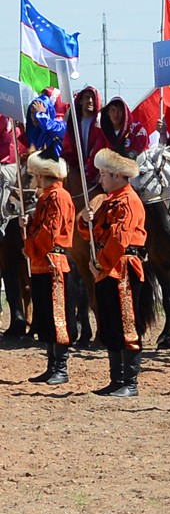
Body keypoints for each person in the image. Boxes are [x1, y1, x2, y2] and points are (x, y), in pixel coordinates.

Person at [81, 149, 148, 397]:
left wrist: (101, 263)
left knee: (126, 322)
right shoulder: (108, 201)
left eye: (104, 174)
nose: (100, 179)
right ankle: (116, 379)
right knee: (110, 322)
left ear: (117, 176)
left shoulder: (128, 201)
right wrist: (85, 219)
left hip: (122, 267)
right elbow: (92, 234)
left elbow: (119, 239)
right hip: (107, 266)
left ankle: (130, 382)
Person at [23, 151, 75, 385]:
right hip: (42, 263)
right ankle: (51, 365)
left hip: (53, 262)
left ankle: (60, 367)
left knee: (57, 316)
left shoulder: (58, 197)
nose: (34, 178)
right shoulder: (46, 197)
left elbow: (50, 231)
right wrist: (28, 226)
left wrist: (32, 245)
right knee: (45, 315)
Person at [61, 87, 102, 178]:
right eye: (87, 97)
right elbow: (68, 145)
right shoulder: (74, 124)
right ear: (80, 101)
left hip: (97, 171)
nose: (90, 101)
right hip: (76, 170)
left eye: (93, 98)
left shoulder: (100, 123)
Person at [24, 88, 66, 160]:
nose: (34, 117)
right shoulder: (34, 133)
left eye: (38, 114)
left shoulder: (61, 126)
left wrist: (40, 114)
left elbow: (50, 128)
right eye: (32, 113)